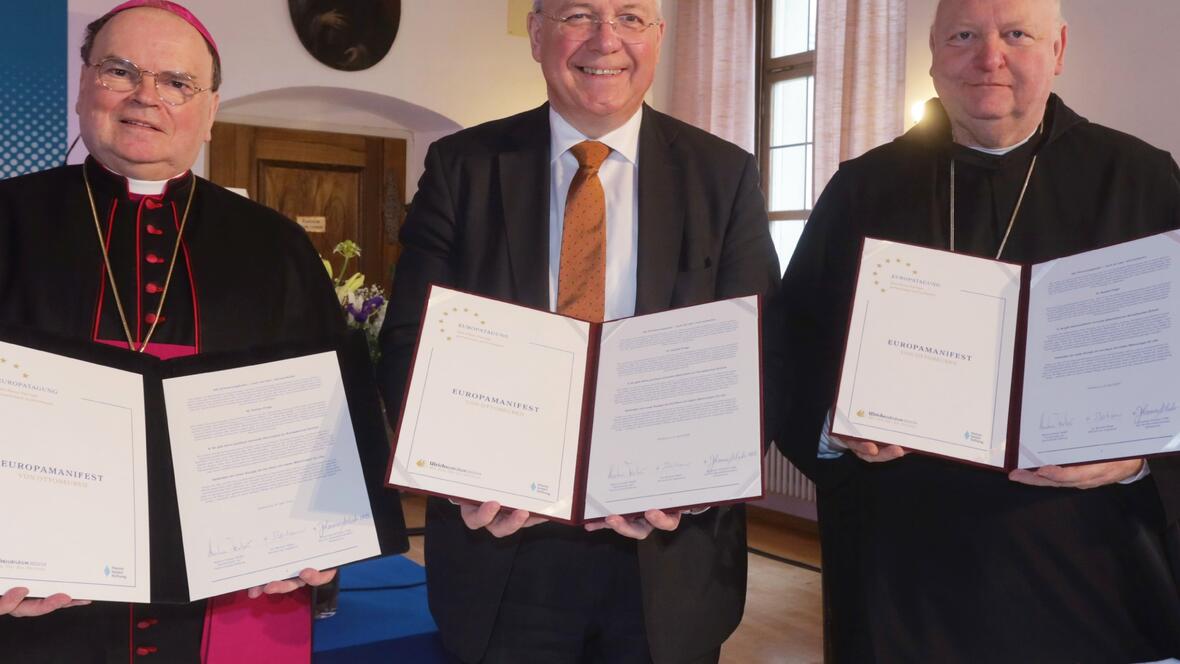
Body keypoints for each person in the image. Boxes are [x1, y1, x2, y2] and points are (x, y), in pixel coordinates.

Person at [774, 0, 1180, 660]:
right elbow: (791, 348)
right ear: (934, 53)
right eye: (964, 36)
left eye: (1016, 34)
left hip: (1095, 580)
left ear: (1058, 50)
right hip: (906, 582)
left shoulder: (1142, 179)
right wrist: (832, 424)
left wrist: (1144, 458)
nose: (989, 58)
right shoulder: (862, 189)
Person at [376, 0, 781, 661]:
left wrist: (701, 482)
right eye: (579, 16)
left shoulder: (724, 174)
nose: (605, 40)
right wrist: (452, 470)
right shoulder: (462, 166)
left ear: (658, 37)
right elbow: (408, 341)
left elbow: (760, 354)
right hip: (502, 551)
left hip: (668, 560)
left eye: (630, 17)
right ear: (537, 34)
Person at [0, 1, 405, 660]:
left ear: (210, 110)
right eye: (120, 71)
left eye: (176, 82)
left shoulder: (276, 246)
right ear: (83, 85)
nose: (145, 96)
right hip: (40, 613)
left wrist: (328, 542)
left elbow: (328, 428)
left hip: (236, 603)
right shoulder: (10, 218)